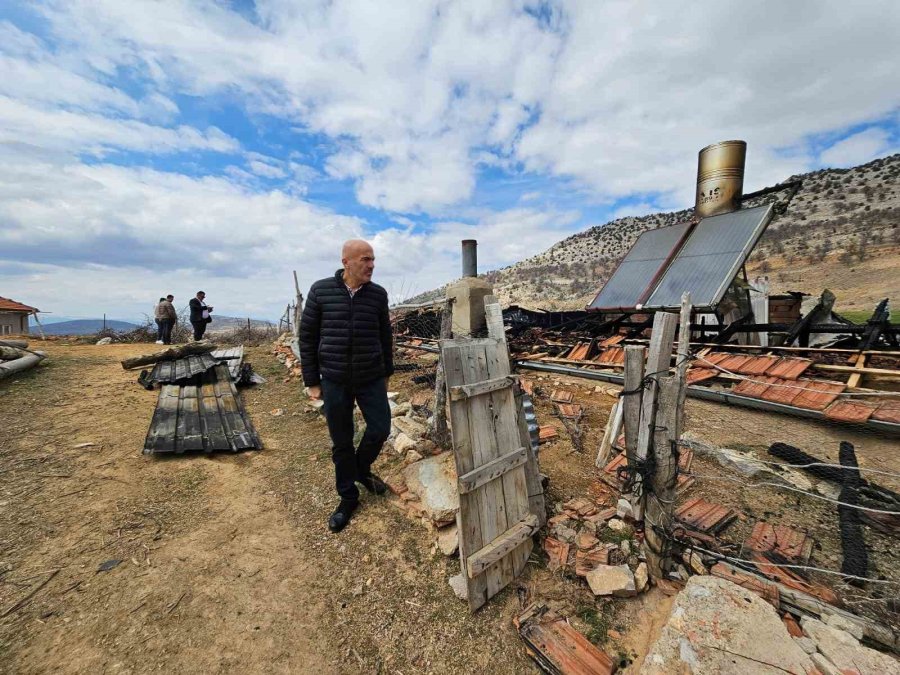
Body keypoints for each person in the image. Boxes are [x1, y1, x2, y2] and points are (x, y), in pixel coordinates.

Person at [300, 239, 393, 533]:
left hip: (370, 377)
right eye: (365, 259)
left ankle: (361, 469)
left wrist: (386, 372)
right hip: (335, 379)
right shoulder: (321, 291)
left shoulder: (378, 295)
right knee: (342, 440)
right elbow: (307, 338)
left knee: (380, 428)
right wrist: (312, 381)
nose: (371, 265)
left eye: (373, 259)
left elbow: (385, 336)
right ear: (347, 262)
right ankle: (348, 498)